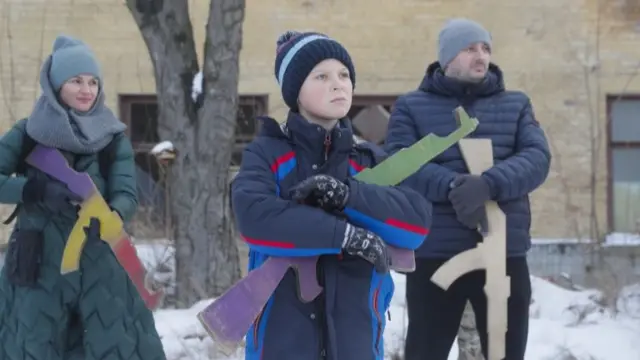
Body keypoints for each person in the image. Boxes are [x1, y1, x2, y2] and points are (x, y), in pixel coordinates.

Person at [232, 31, 433, 360]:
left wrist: (347, 197)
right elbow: (255, 218)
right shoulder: (268, 153)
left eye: (344, 75)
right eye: (321, 76)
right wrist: (345, 235)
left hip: (358, 342)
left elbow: (416, 223)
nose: (338, 84)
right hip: (281, 343)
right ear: (295, 91)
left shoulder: (366, 159)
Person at [384, 18, 551, 360]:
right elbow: (400, 163)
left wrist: (489, 184)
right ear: (447, 59)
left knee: (506, 353)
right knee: (425, 351)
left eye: (486, 48)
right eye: (470, 48)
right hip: (435, 252)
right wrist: (452, 187)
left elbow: (537, 158)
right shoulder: (411, 106)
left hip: (503, 253)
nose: (481, 56)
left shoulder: (517, 104)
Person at [0, 35, 166, 359]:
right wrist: (34, 191)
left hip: (100, 261)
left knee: (111, 344)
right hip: (38, 264)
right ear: (55, 84)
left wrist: (112, 215)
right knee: (33, 346)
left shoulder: (112, 137)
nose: (86, 90)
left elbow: (126, 192)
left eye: (92, 81)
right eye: (76, 80)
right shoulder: (28, 133)